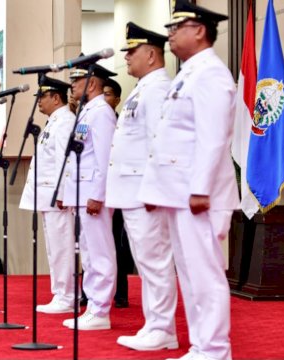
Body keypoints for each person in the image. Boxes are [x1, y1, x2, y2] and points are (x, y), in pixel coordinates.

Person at [138, 2, 238, 359]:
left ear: (199, 30)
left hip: (199, 194)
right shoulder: (188, 73)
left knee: (205, 276)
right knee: (190, 275)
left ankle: (214, 349)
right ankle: (201, 346)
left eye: (177, 27)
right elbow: (169, 139)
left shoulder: (211, 73)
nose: (169, 34)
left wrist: (199, 189)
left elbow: (212, 139)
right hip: (179, 193)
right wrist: (157, 190)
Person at [107, 22, 179, 351]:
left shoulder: (158, 88)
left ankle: (163, 328)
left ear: (151, 55)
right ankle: (154, 325)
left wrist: (155, 189)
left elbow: (158, 143)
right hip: (133, 192)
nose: (126, 57)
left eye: (131, 51)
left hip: (144, 192)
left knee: (155, 261)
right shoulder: (142, 88)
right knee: (146, 262)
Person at [61, 64, 117, 330]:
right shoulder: (87, 112)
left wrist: (98, 194)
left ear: (92, 83)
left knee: (100, 253)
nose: (71, 85)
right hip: (80, 194)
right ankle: (93, 306)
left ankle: (101, 310)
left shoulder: (102, 113)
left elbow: (106, 157)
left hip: (92, 195)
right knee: (88, 253)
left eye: (76, 80)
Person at [19, 76, 75, 314]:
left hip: (57, 198)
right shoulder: (53, 122)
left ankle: (67, 296)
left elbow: (67, 160)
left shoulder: (64, 122)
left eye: (42, 97)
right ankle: (60, 293)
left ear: (55, 97)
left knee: (61, 246)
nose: (38, 102)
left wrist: (63, 193)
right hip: (47, 196)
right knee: (54, 247)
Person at [102, 77, 135, 309]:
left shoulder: (119, 121)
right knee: (95, 244)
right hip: (99, 191)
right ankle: (89, 291)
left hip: (118, 190)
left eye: (108, 94)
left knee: (118, 242)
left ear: (116, 99)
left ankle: (120, 292)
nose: (104, 98)